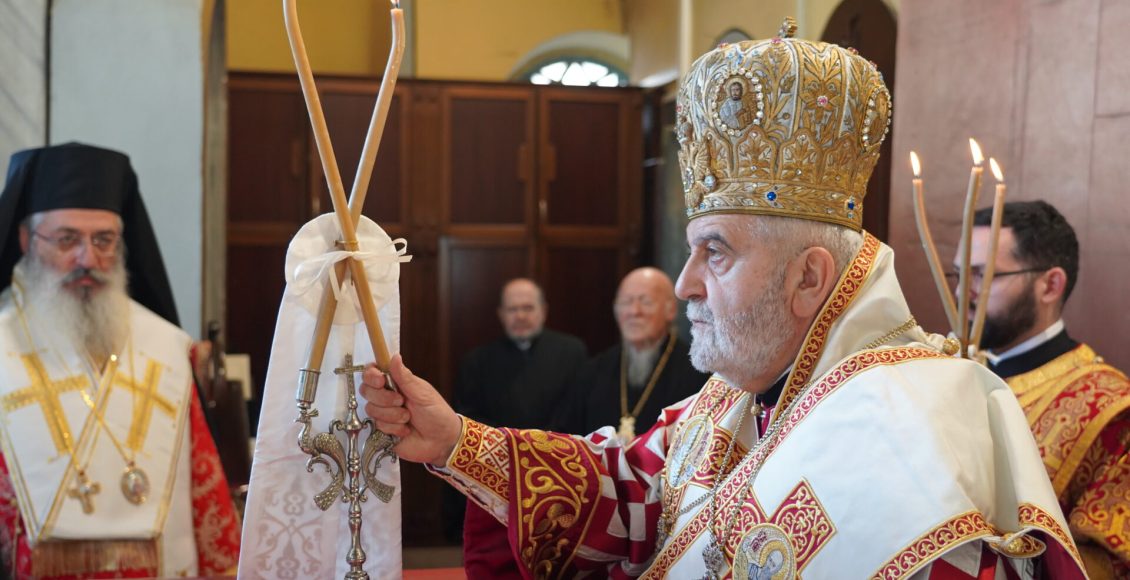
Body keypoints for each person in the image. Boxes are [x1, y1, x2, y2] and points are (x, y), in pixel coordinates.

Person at [362, 23, 1086, 578]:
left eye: (715, 252)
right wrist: (458, 442)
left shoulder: (912, 436)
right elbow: (639, 492)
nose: (684, 284)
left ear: (809, 280)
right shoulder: (741, 391)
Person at [0, 143, 241, 577]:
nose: (87, 259)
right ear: (25, 239)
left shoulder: (165, 347)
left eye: (104, 240)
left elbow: (204, 495)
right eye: (67, 239)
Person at [960, 200, 1130, 577]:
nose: (961, 292)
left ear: (1050, 285)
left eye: (982, 275)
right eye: (958, 274)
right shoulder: (947, 376)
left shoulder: (1112, 407)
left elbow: (1112, 564)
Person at [448, 278, 587, 547]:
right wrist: (510, 447)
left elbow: (576, 410)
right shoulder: (478, 362)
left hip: (557, 466)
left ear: (543, 311)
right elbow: (468, 419)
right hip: (499, 468)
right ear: (501, 314)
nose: (520, 316)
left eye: (528, 308)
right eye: (513, 309)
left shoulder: (572, 352)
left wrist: (541, 447)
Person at [555, 267, 708, 438]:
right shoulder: (592, 372)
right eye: (626, 302)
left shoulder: (699, 371)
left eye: (646, 302)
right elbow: (567, 437)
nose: (634, 311)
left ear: (670, 310)